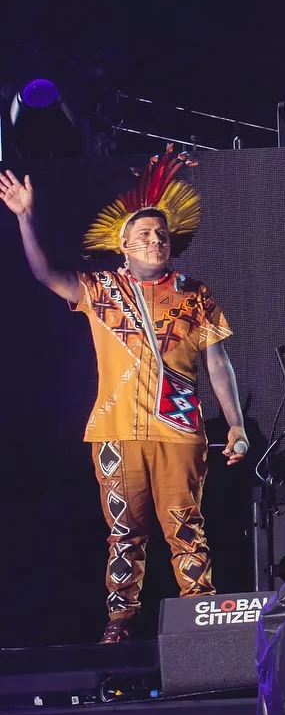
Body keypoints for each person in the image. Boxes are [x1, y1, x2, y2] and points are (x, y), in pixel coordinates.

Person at [0, 151, 246, 642]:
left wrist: (234, 422)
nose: (155, 240)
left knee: (186, 528)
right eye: (144, 235)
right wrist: (27, 219)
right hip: (113, 432)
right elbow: (46, 274)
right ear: (124, 244)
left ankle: (200, 621)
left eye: (161, 234)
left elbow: (218, 362)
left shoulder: (195, 294)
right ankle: (120, 624)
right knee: (124, 534)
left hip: (180, 429)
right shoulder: (101, 288)